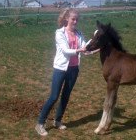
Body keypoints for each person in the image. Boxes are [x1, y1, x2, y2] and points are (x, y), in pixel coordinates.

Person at [35, 8, 93, 136]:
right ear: (67, 18)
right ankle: (40, 123)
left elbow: (86, 49)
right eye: (73, 19)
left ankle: (57, 121)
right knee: (54, 96)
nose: (75, 21)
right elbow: (66, 50)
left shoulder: (79, 34)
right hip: (60, 68)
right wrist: (80, 50)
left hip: (74, 69)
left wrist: (95, 48)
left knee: (65, 96)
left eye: (77, 19)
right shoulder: (59, 33)